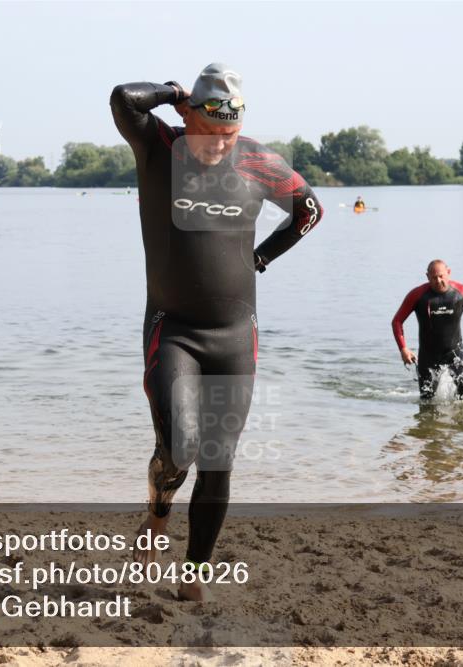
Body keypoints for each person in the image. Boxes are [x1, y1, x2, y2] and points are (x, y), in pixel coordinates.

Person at [111, 63, 322, 601]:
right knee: (178, 448)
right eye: (211, 134)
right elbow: (123, 99)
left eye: (229, 134)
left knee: (218, 460)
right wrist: (173, 94)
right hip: (173, 329)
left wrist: (262, 258)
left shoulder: (255, 159)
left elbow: (310, 210)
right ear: (190, 118)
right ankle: (158, 515)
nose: (221, 145)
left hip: (234, 334)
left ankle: (194, 574)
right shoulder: (160, 146)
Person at [392, 259, 463, 399]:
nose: (438, 280)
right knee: (427, 397)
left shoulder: (462, 292)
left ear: (448, 273)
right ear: (427, 276)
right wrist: (403, 349)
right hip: (428, 354)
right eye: (433, 277)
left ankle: (459, 418)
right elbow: (397, 321)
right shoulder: (417, 295)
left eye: (441, 276)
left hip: (454, 351)